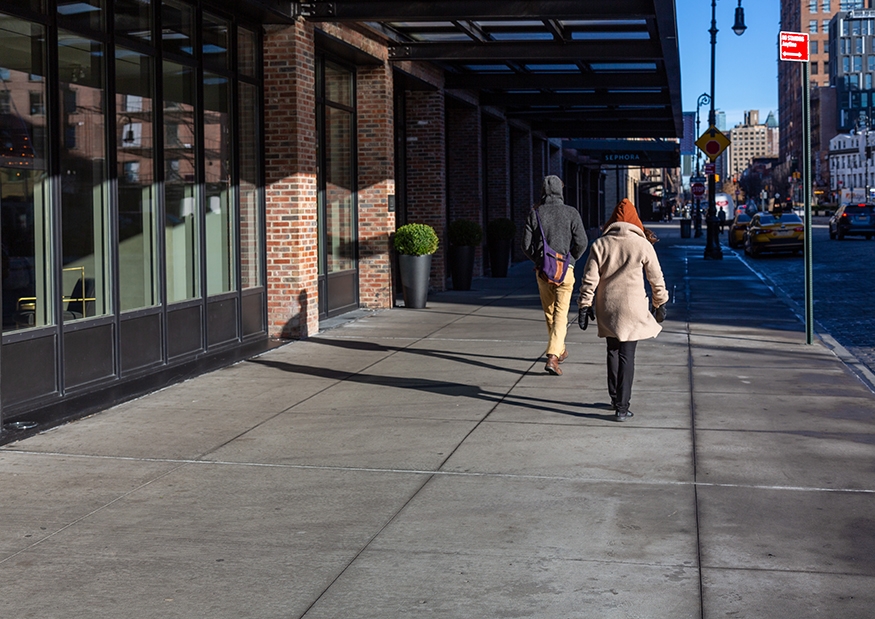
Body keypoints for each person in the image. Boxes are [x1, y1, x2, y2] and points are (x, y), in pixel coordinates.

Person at [577, 198, 668, 421]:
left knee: (612, 350)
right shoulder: (642, 244)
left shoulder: (600, 244)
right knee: (628, 354)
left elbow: (589, 279)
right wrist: (660, 303)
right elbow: (656, 278)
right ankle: (622, 407)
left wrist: (584, 305)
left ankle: (614, 398)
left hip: (607, 306)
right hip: (633, 306)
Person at [522, 175, 589, 376]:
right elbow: (582, 242)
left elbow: (525, 246)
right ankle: (553, 355)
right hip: (565, 270)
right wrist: (570, 259)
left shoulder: (535, 214)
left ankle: (559, 349)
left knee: (550, 312)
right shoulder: (571, 213)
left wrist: (537, 260)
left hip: (543, 270)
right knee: (561, 313)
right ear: (561, 190)